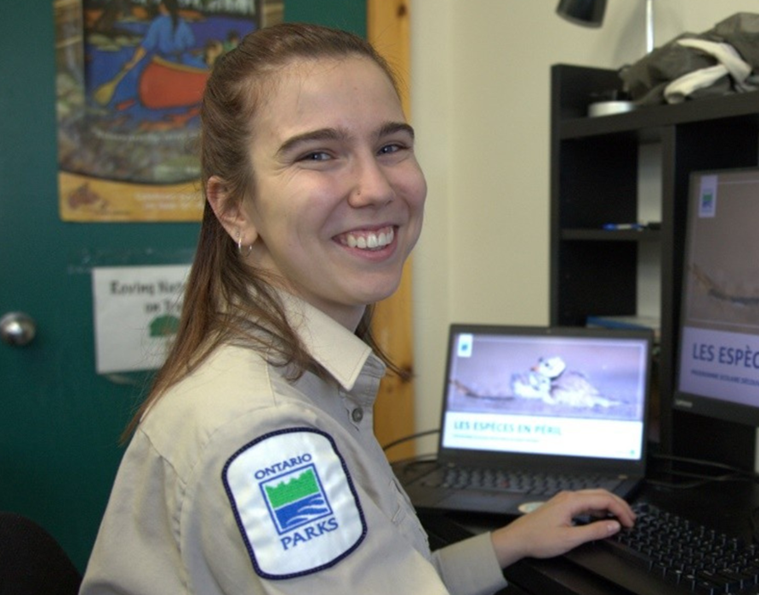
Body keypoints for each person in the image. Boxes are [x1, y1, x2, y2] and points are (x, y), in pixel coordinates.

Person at [79, 22, 635, 595]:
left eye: (391, 147)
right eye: (318, 154)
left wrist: (509, 543)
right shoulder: (266, 435)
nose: (374, 188)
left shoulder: (296, 374)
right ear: (234, 207)